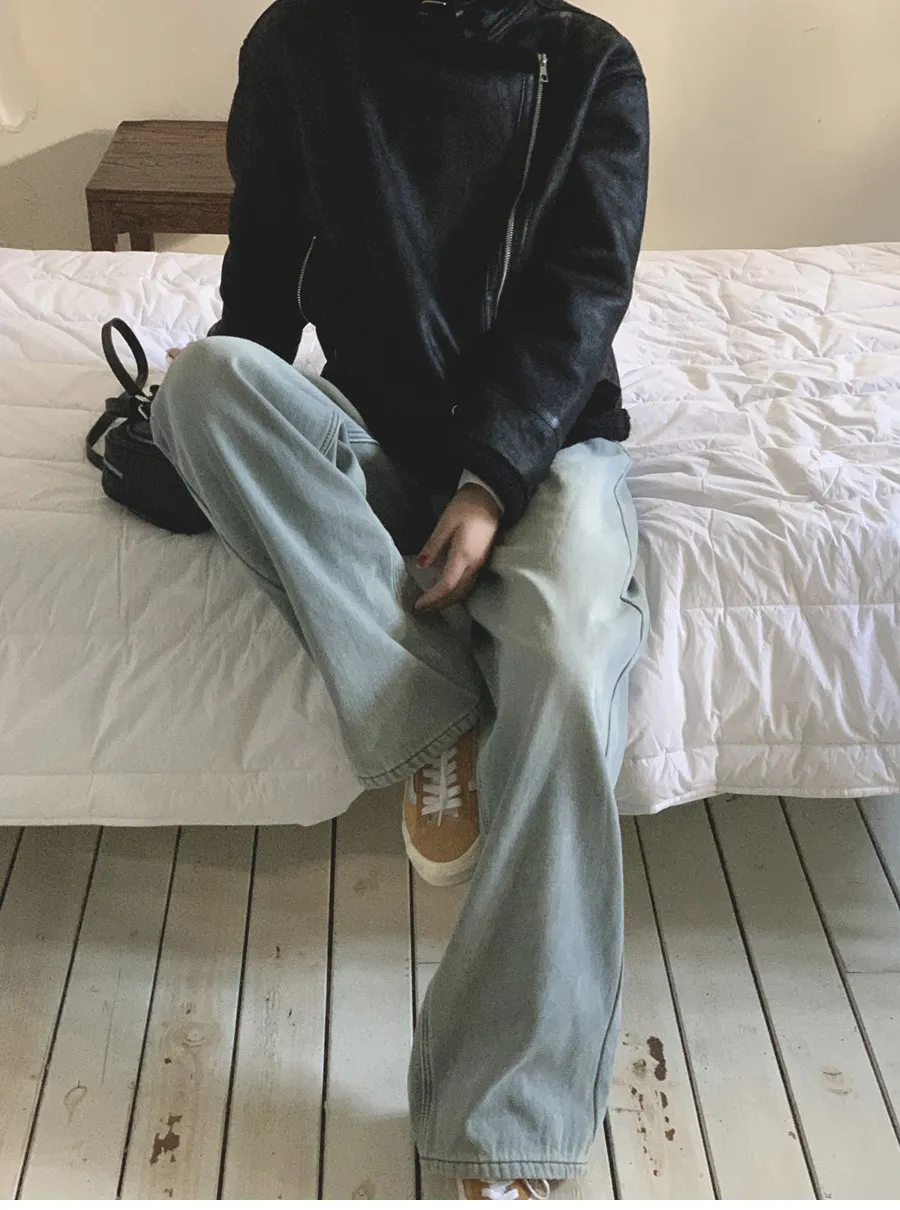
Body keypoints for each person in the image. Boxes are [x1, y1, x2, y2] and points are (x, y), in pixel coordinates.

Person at [151, 0, 650, 1198]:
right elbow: (262, 280)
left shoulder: (592, 65)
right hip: (375, 425)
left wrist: (487, 483)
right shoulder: (299, 43)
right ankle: (432, 723)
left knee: (568, 662)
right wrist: (221, 437)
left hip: (545, 446)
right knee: (202, 387)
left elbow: (580, 298)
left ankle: (504, 1129)